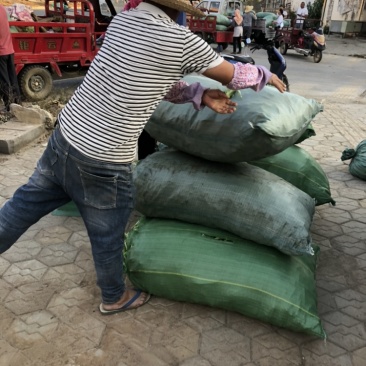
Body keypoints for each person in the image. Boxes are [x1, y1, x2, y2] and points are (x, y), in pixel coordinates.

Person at [0, 0, 286, 316]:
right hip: (103, 160)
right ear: (177, 9)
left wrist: (199, 95)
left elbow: (155, 79)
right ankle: (114, 296)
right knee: (108, 231)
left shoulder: (124, 22)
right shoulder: (179, 40)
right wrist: (265, 75)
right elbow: (233, 76)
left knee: (21, 207)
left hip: (65, 137)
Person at [0, 5, 21, 112]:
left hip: (1, 52)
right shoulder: (2, 9)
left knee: (4, 81)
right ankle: (18, 103)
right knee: (13, 78)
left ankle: (9, 106)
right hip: (9, 50)